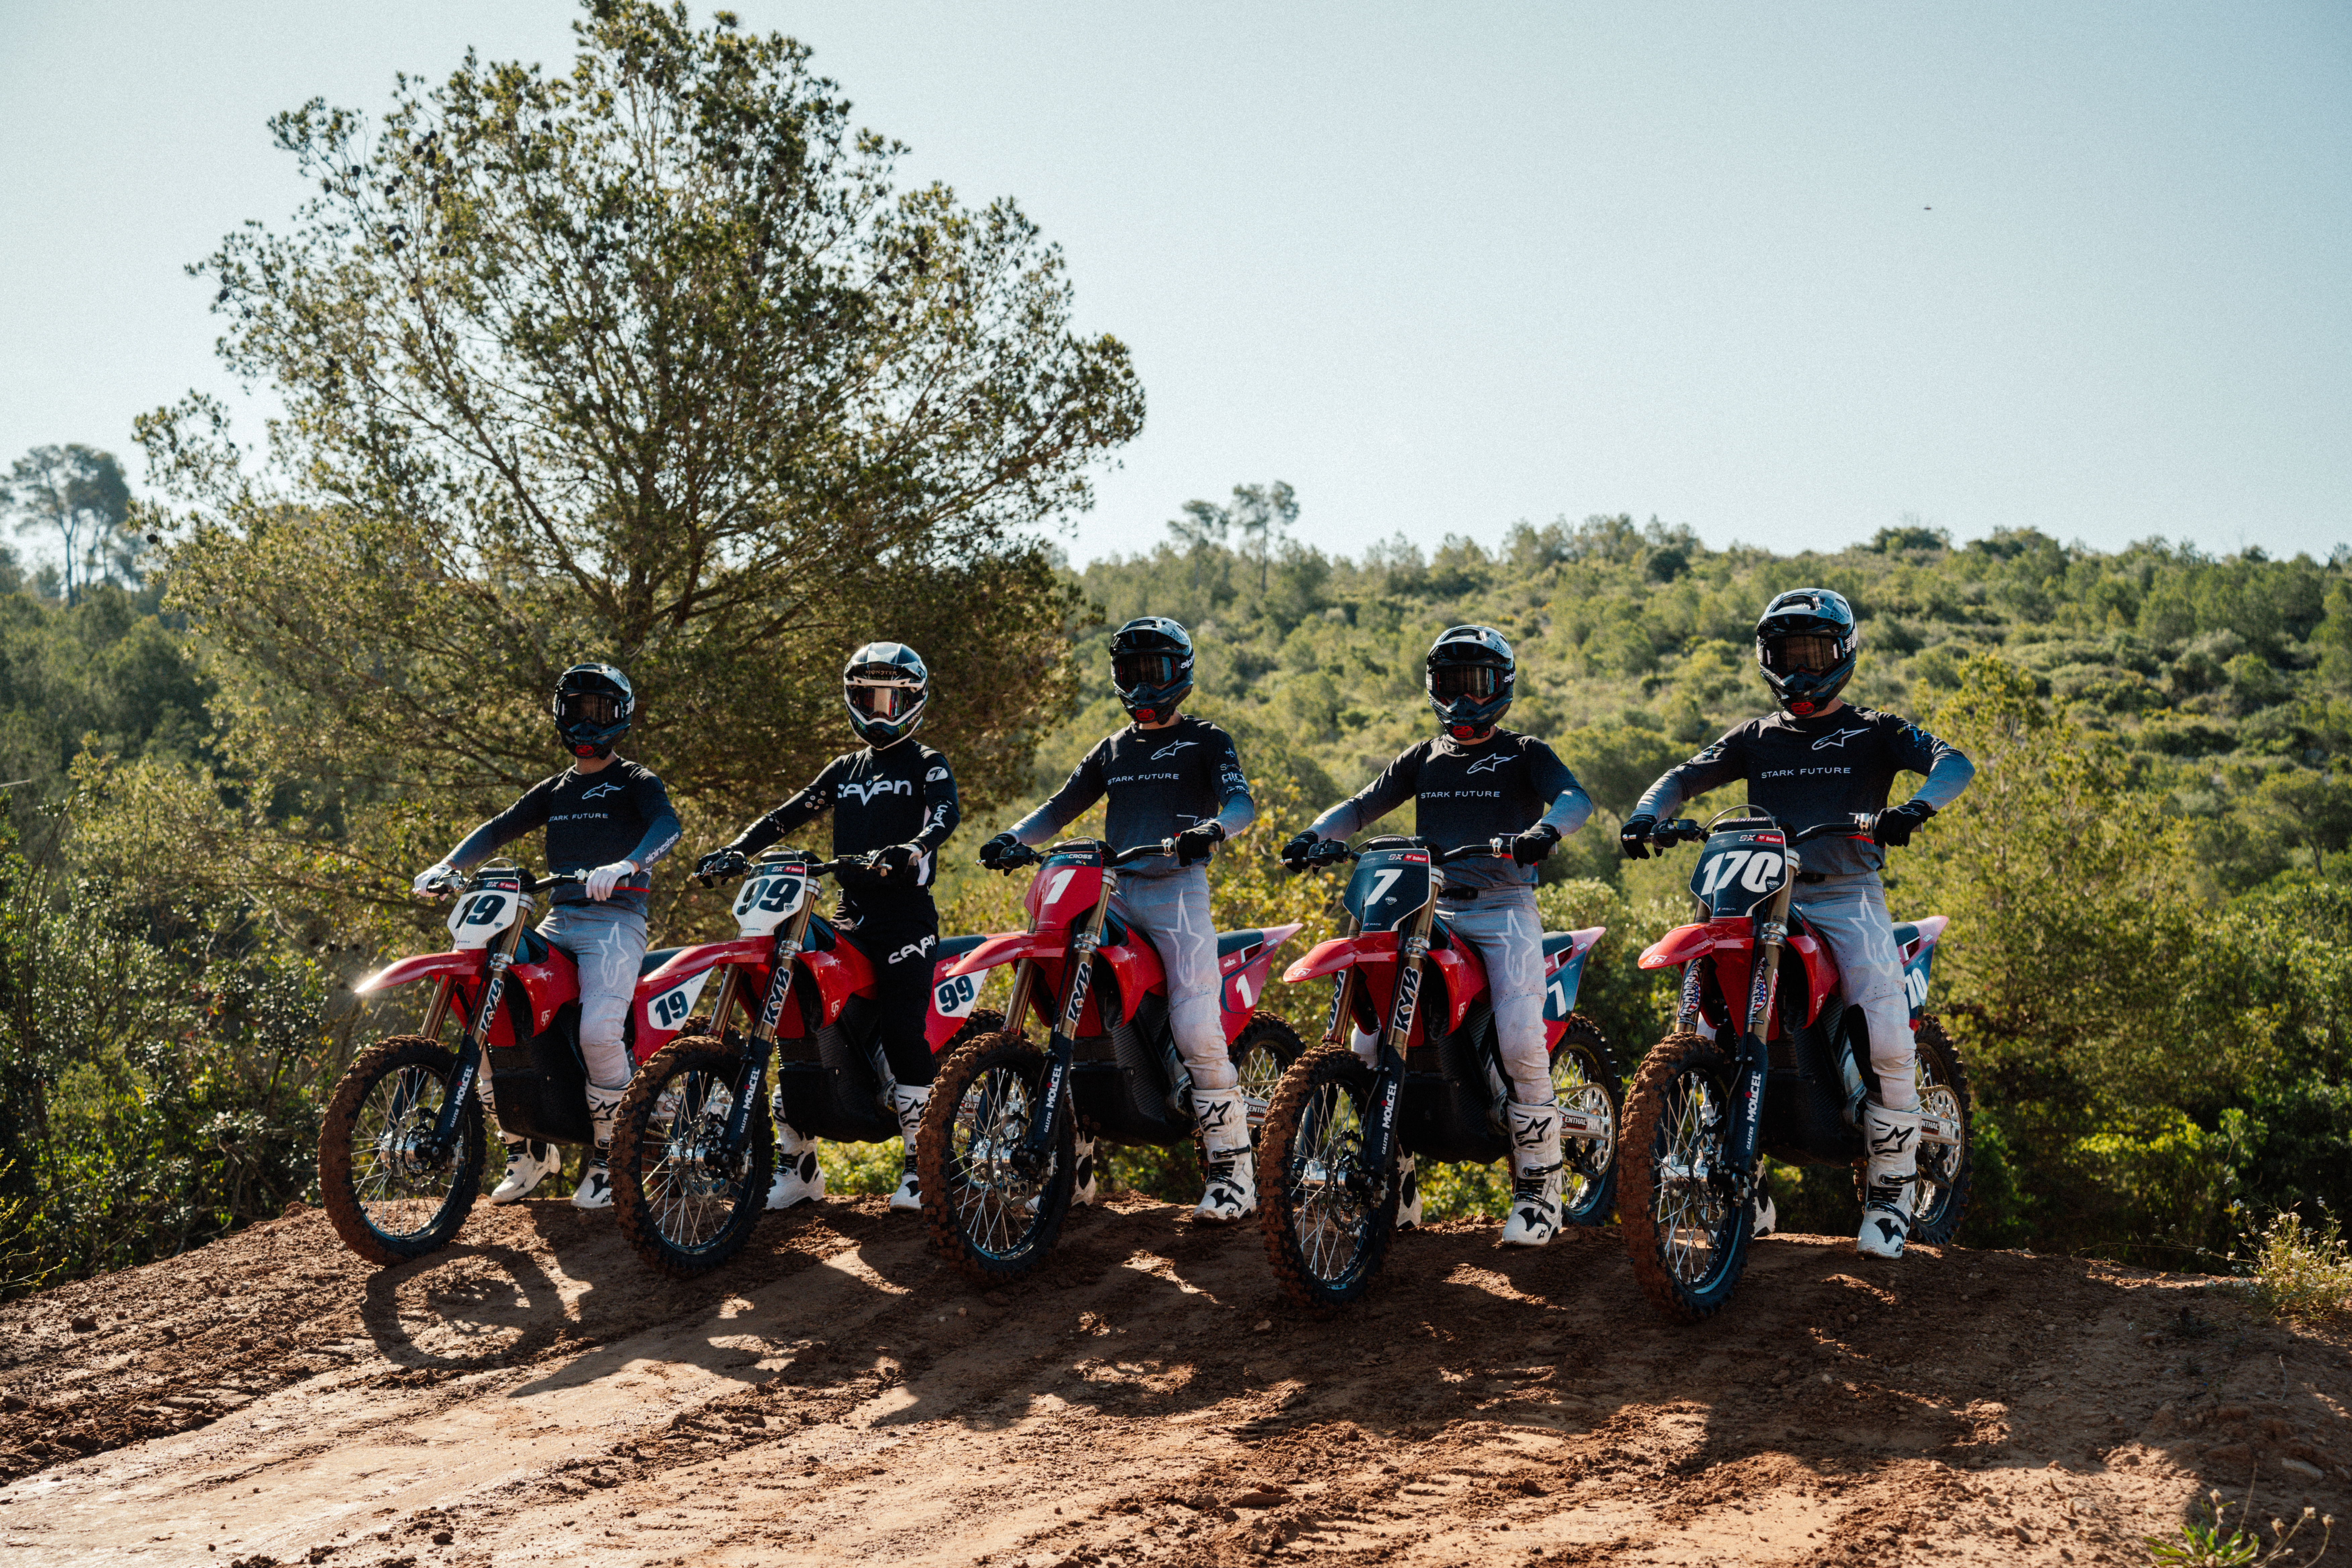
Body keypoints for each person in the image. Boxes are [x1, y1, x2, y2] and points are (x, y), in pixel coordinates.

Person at [1618, 587, 1974, 1260]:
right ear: (1766, 658)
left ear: (1842, 653)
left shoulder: (1878, 728)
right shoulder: (1755, 736)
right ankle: (1741, 1182)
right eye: (1787, 653)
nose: (1800, 666)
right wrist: (1646, 813)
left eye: (1812, 651)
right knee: (1702, 1026)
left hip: (1846, 892)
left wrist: (1916, 809)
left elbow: (1955, 762)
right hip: (1753, 891)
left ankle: (1893, 1190)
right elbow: (1682, 777)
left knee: (1886, 1022)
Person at [1282, 625, 1595, 1247]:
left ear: (1501, 687)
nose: (1462, 699)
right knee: (1367, 1043)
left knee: (1521, 1042)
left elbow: (1575, 799)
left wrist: (1546, 831)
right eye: (1450, 684)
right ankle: (1392, 1182)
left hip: (1505, 909)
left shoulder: (1524, 752)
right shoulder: (1422, 757)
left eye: (1475, 683)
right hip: (1429, 911)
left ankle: (1540, 1189)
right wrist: (1317, 834)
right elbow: (1362, 806)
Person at [977, 617, 1259, 1222]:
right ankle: (1070, 1176)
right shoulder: (1112, 748)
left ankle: (1235, 1176)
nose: (1140, 682)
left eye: (1152, 670)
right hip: (1113, 892)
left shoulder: (1209, 740)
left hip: (1176, 896)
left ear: (1179, 674)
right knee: (1069, 1018)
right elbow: (1058, 808)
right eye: (1130, 671)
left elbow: (1242, 803)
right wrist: (1011, 837)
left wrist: (1212, 829)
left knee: (1197, 1030)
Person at [697, 642, 961, 1214]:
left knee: (901, 1029)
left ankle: (922, 1166)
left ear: (913, 701)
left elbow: (946, 815)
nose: (880, 711)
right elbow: (787, 815)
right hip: (852, 917)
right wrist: (737, 851)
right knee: (798, 1022)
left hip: (905, 919)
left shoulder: (928, 761)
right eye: (868, 698)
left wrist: (912, 849)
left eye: (891, 699)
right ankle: (799, 1167)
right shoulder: (846, 769)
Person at [412, 663, 682, 1210]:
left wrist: (628, 865)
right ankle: (527, 1151)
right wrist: (448, 865)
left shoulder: (637, 782)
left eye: (598, 712)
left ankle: (611, 1157)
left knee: (600, 1032)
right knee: (492, 1017)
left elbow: (668, 828)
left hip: (615, 923)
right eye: (576, 710)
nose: (586, 723)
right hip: (558, 924)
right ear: (561, 715)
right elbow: (497, 828)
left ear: (620, 718)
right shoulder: (555, 789)